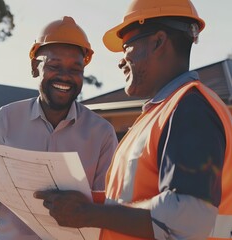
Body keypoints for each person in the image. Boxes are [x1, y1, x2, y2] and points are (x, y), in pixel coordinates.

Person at [34, 0, 232, 239]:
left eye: (126, 46)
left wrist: (88, 213)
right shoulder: (161, 113)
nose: (120, 61)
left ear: (158, 42)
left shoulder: (190, 110)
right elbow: (131, 199)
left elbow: (187, 217)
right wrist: (88, 202)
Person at [0, 16, 118, 239]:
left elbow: (106, 210)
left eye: (76, 69)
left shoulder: (101, 134)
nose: (65, 76)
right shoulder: (6, 120)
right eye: (54, 66)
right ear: (36, 67)